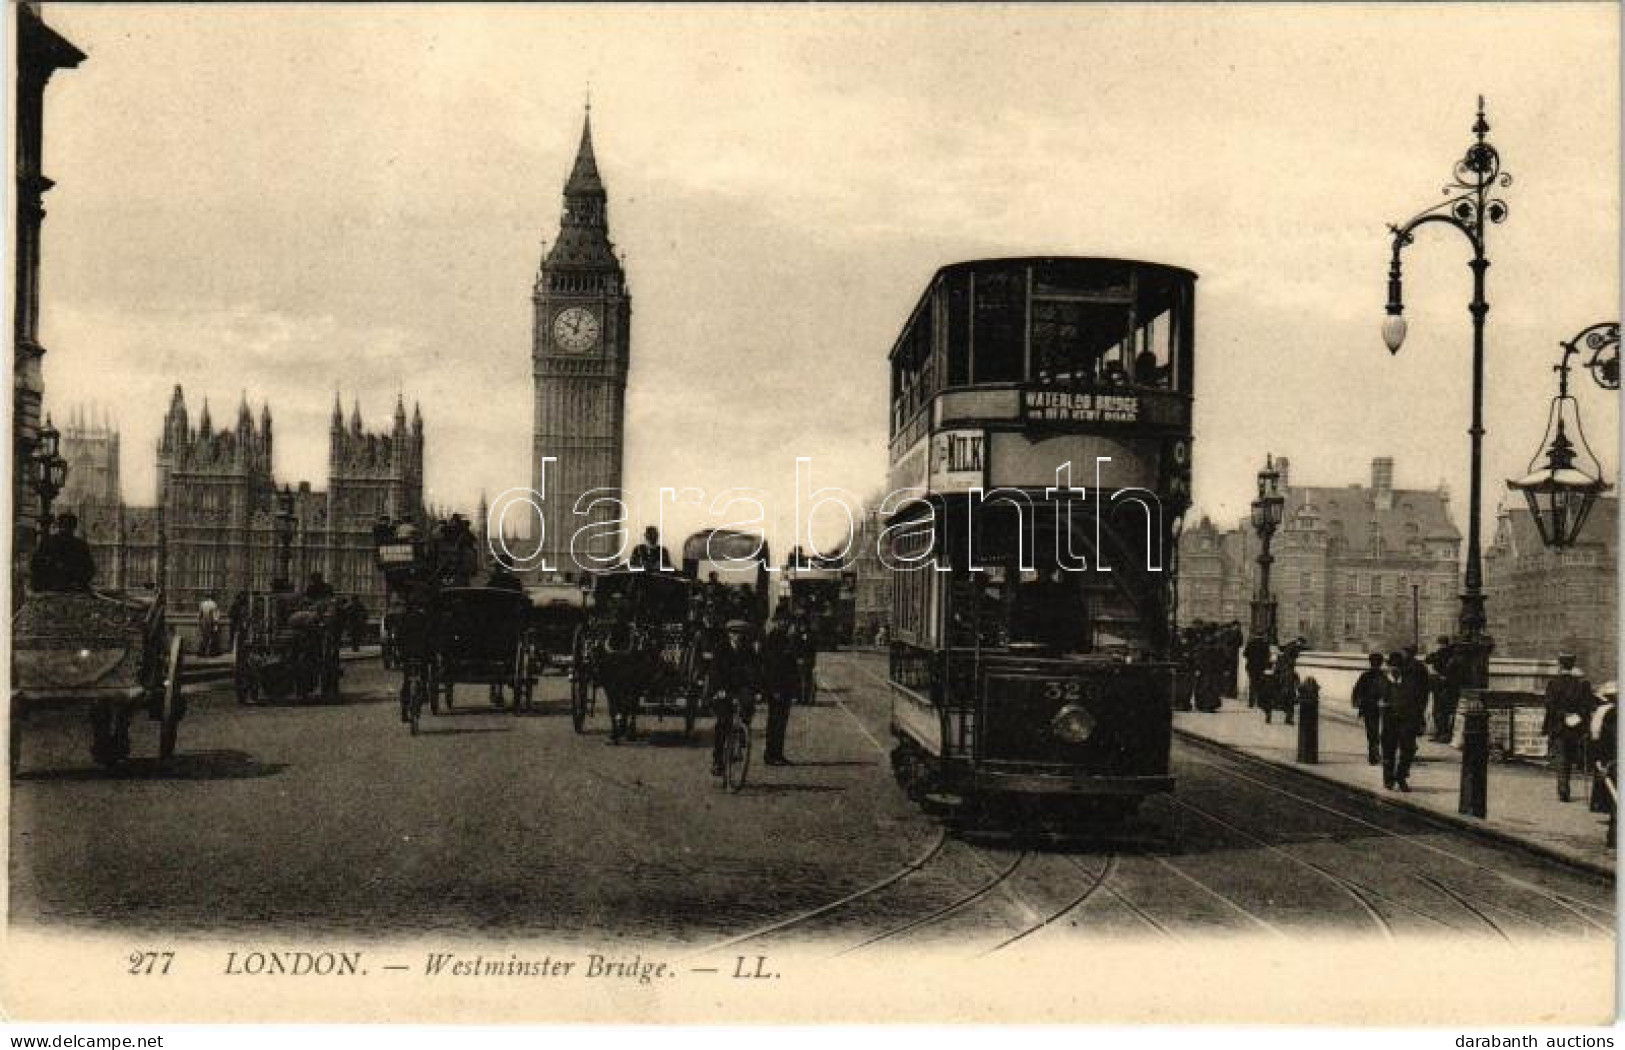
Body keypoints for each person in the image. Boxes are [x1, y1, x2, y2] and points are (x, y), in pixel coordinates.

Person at [1542, 652, 1597, 803]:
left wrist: (1563, 715)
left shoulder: (1553, 683)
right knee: (1572, 758)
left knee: (1562, 759)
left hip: (1559, 727)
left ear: (1560, 665)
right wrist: (1577, 716)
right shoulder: (1582, 684)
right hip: (1576, 728)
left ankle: (1563, 790)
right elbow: (1589, 706)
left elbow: (1549, 705)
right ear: (1573, 665)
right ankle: (1565, 787)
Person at [711, 620, 760, 776]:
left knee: (747, 707)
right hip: (724, 689)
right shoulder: (721, 649)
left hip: (741, 688)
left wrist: (756, 690)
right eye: (734, 633)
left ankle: (742, 735)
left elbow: (755, 671)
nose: (737, 636)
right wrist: (719, 689)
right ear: (729, 634)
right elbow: (715, 671)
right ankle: (717, 760)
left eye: (739, 633)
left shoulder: (748, 650)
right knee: (722, 722)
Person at [1382, 650, 1426, 791]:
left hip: (1408, 721)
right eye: (1392, 667)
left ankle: (1401, 777)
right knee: (1389, 750)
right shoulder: (1382, 681)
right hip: (1389, 721)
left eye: (1397, 667)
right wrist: (1377, 703)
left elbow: (1420, 702)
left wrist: (1420, 720)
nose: (1394, 670)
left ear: (1402, 668)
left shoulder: (1411, 683)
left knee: (1408, 750)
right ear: (1388, 668)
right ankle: (1388, 779)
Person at [762, 609, 799, 765]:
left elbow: (791, 665)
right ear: (777, 622)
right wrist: (774, 688)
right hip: (776, 687)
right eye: (782, 621)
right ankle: (771, 755)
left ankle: (778, 753)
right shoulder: (773, 638)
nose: (785, 623)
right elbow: (771, 666)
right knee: (775, 722)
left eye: (787, 621)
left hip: (786, 687)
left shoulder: (785, 638)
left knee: (781, 722)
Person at [30, 512, 96, 593]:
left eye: (69, 526)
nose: (65, 529)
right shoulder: (47, 543)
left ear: (74, 527)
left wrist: (79, 582)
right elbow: (35, 566)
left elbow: (89, 569)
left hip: (74, 589)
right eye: (63, 525)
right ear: (59, 526)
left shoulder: (80, 545)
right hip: (51, 589)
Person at [1352, 652, 1388, 765]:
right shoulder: (1382, 676)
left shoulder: (1365, 675)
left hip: (1369, 707)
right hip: (1378, 707)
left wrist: (1358, 703)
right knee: (1377, 732)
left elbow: (1357, 691)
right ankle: (1374, 755)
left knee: (1372, 732)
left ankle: (1373, 755)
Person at [1425, 635, 1460, 743]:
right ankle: (1446, 734)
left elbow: (1428, 660)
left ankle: (1442, 734)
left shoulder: (1440, 653)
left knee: (1439, 711)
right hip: (1451, 687)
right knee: (1448, 712)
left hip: (1441, 687)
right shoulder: (1453, 653)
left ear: (1440, 643)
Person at [1243, 633, 1270, 710]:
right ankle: (1259, 702)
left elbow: (1245, 654)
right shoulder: (1265, 645)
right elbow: (1267, 656)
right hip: (1260, 667)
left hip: (1251, 666)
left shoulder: (1250, 644)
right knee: (1260, 684)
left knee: (1252, 683)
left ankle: (1251, 702)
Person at [197, 593, 221, 657]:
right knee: (212, 637)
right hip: (211, 622)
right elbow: (216, 616)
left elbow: (199, 615)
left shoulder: (202, 604)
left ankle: (201, 653)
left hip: (204, 622)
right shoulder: (214, 604)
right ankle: (211, 653)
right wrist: (216, 624)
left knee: (204, 637)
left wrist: (200, 622)